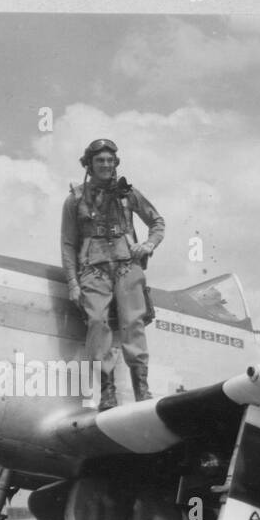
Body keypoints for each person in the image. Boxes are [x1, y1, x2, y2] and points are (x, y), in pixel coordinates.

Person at [60, 138, 165, 410]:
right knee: (97, 323)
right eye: (100, 161)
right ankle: (107, 391)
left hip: (127, 265)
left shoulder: (128, 194)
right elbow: (68, 244)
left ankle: (141, 388)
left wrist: (149, 244)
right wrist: (72, 282)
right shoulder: (75, 199)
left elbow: (157, 221)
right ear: (89, 164)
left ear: (115, 163)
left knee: (134, 324)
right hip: (93, 270)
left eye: (110, 160)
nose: (106, 165)